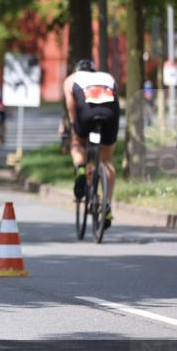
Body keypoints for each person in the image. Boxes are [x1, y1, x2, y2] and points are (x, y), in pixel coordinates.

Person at [62, 58, 120, 228]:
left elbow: (71, 109)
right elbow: (115, 98)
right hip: (110, 114)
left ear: (77, 70)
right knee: (106, 160)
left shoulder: (71, 79)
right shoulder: (107, 77)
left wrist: (75, 128)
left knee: (77, 143)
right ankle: (107, 205)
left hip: (86, 113)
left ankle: (81, 168)